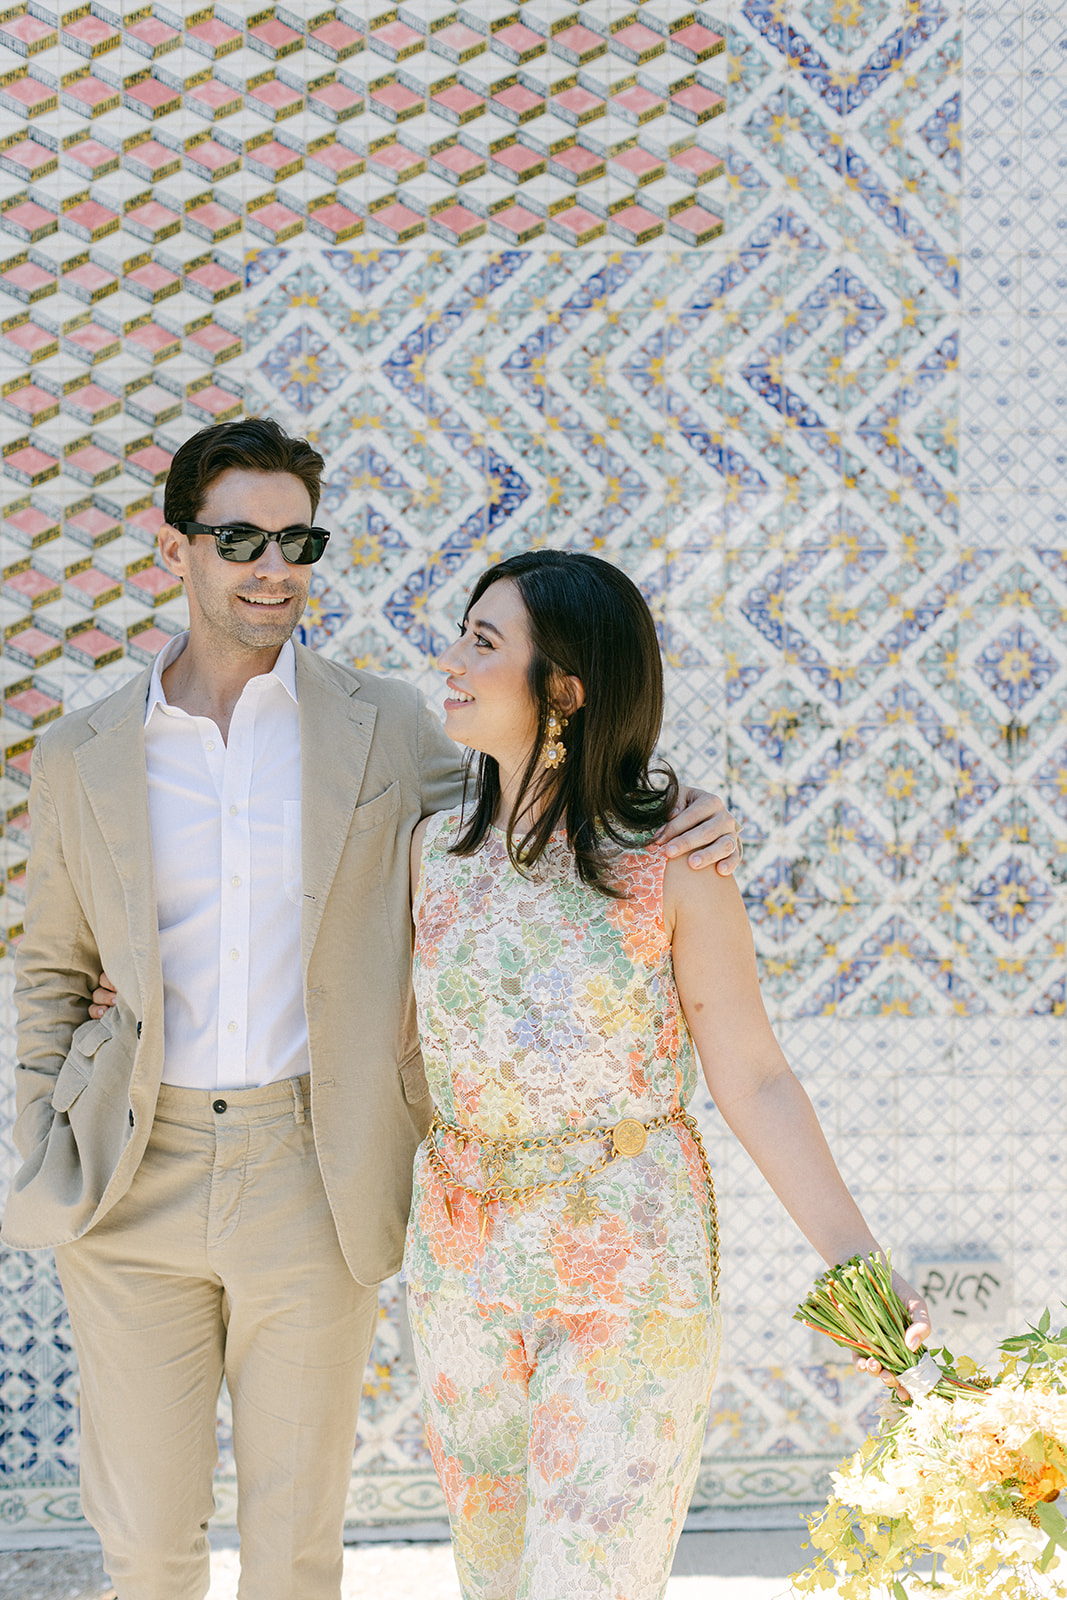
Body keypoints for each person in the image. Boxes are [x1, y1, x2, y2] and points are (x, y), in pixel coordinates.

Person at [2, 419, 741, 1600]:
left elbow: (544, 790)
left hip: (309, 1164)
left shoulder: (386, 725)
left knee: (295, 1544)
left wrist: (680, 806)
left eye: (298, 539)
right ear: (175, 549)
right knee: (145, 1544)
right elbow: (52, 962)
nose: (272, 566)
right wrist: (45, 1118)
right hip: (133, 1170)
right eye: (240, 535)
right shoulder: (82, 752)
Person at [404, 550, 931, 1600]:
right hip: (460, 1273)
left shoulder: (674, 861)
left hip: (627, 1270)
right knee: (494, 1582)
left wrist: (860, 1268)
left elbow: (755, 1078)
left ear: (563, 690)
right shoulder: (430, 852)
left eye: (482, 641)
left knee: (586, 1583)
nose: (449, 662)